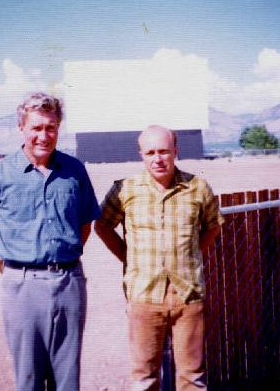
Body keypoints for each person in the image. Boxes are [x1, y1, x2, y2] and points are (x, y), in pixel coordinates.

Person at [0, 91, 101, 391]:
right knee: (28, 377)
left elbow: (85, 223)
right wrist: (13, 272)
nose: (44, 135)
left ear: (59, 128)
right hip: (22, 285)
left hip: (69, 281)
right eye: (36, 128)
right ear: (21, 129)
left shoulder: (74, 170)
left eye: (50, 127)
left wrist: (62, 260)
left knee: (67, 378)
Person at [94, 125, 224, 391]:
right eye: (150, 152)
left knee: (192, 377)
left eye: (164, 151)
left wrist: (193, 255)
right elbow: (102, 226)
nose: (158, 158)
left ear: (175, 151)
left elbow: (213, 225)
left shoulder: (197, 187)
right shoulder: (124, 190)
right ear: (141, 155)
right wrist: (128, 259)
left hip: (187, 294)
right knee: (144, 378)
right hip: (144, 295)